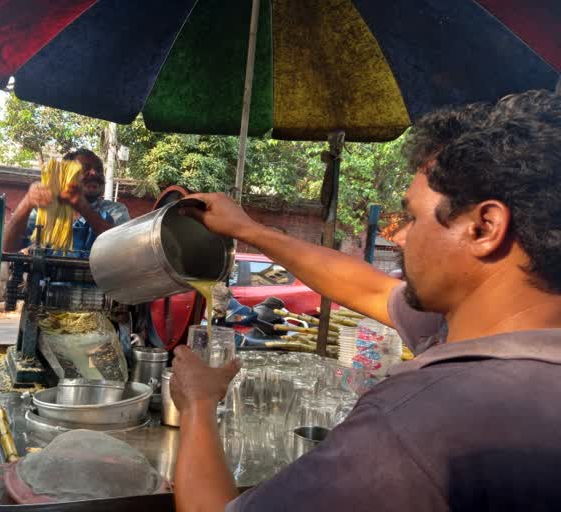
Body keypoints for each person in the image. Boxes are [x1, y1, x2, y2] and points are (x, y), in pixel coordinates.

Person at [171, 88, 561, 512]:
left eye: (413, 217)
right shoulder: (513, 347)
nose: (398, 236)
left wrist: (198, 405)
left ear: (485, 228)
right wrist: (249, 230)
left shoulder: (414, 425)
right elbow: (370, 288)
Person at [3, 149, 130, 254]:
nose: (94, 173)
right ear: (65, 175)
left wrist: (82, 207)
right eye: (86, 168)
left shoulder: (115, 210)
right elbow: (8, 248)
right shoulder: (43, 211)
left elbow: (122, 247)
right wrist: (27, 203)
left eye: (100, 170)